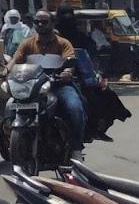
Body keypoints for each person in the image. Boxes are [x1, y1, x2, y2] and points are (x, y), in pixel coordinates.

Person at [14, 13, 89, 156]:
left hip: (59, 85)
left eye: (44, 22)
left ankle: (76, 149)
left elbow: (70, 60)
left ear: (52, 23)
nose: (40, 25)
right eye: (37, 22)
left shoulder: (63, 43)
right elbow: (15, 61)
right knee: (10, 105)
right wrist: (5, 70)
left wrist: (67, 71)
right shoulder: (27, 43)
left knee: (75, 108)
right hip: (33, 87)